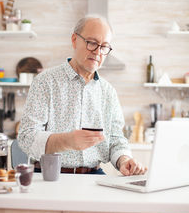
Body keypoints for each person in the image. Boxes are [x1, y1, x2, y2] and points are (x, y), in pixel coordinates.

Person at [18, 15, 147, 176]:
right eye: (92, 43)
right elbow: (26, 137)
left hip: (94, 174)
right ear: (74, 40)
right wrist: (66, 141)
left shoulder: (108, 92)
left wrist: (124, 160)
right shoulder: (45, 82)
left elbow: (116, 139)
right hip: (50, 174)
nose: (98, 52)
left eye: (104, 47)